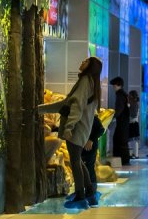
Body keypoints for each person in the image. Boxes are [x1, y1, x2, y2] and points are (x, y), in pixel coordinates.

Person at [38, 56, 102, 210]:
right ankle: (90, 193)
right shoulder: (90, 82)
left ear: (90, 66)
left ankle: (80, 195)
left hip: (77, 129)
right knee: (78, 160)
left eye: (85, 61)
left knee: (75, 161)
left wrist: (69, 128)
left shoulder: (85, 81)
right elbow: (65, 104)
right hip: (82, 128)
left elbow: (76, 107)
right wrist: (40, 109)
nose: (82, 62)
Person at [82, 115, 105, 192]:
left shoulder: (92, 117)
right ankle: (83, 189)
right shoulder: (80, 115)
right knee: (82, 167)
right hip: (80, 145)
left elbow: (101, 129)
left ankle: (92, 188)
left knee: (89, 166)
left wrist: (91, 140)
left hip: (90, 146)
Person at [110, 76, 131, 165]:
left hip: (122, 122)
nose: (113, 87)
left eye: (114, 85)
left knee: (119, 140)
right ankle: (123, 160)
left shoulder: (120, 95)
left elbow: (119, 109)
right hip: (124, 121)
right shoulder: (124, 94)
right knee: (121, 139)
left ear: (118, 85)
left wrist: (111, 117)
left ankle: (122, 160)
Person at [128, 89, 140, 158]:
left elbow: (133, 115)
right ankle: (135, 154)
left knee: (132, 140)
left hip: (132, 123)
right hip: (135, 123)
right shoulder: (135, 104)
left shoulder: (133, 104)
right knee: (134, 140)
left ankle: (134, 154)